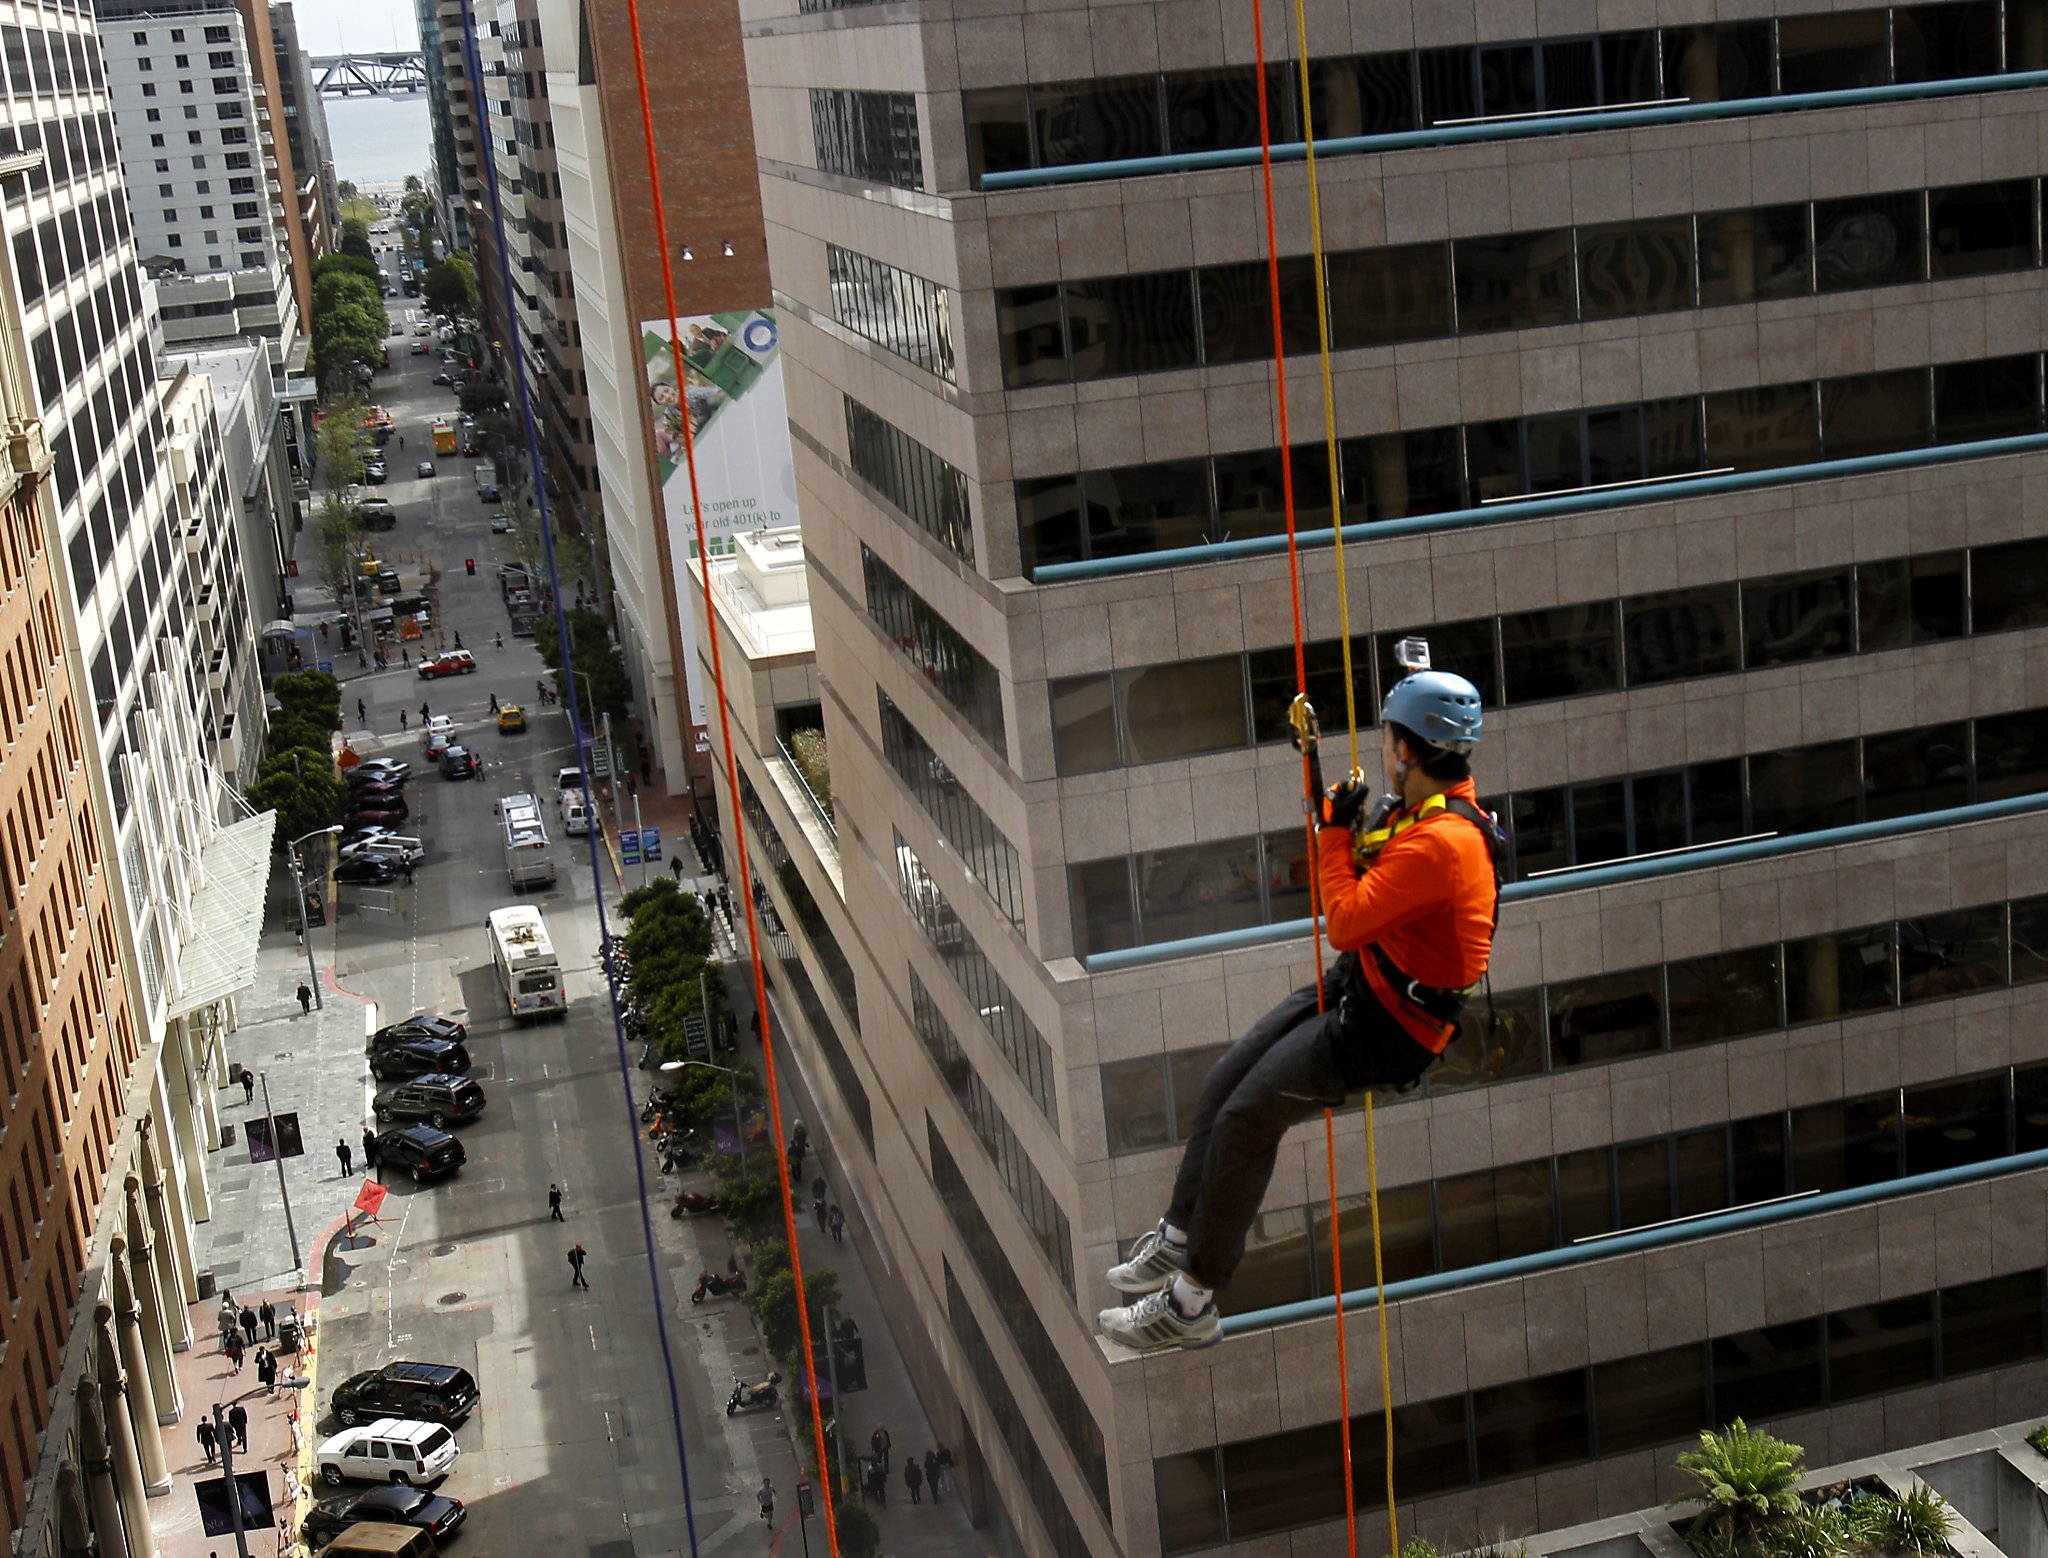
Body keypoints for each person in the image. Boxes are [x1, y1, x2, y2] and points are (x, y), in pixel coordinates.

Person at [1096, 670, 1500, 1354]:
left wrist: (1335, 837)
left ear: (1406, 747)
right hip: (1368, 985)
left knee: (1248, 1119)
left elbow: (1344, 918)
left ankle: (1192, 1303)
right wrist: (1348, 824)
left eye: (1390, 740)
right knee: (1227, 1077)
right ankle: (1178, 1236)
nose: (1386, 751)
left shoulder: (1443, 842)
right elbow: (1373, 887)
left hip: (1388, 1027)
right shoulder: (1430, 812)